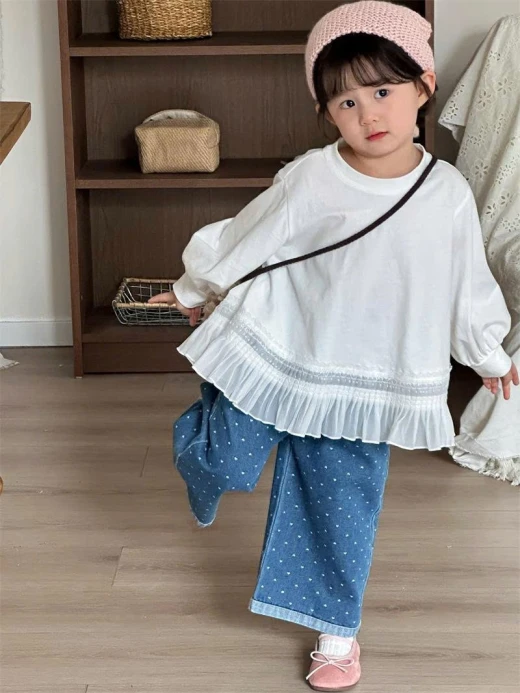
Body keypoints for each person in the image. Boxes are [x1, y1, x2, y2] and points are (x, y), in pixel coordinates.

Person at [149, 2, 518, 689]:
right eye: (346, 101)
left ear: (424, 86)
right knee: (226, 462)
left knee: (341, 502)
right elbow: (248, 236)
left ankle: (336, 632)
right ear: (326, 113)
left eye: (383, 90)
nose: (368, 113)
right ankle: (197, 442)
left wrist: (489, 354)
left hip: (364, 376)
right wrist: (193, 288)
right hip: (280, 346)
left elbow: (466, 285)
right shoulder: (313, 176)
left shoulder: (447, 194)